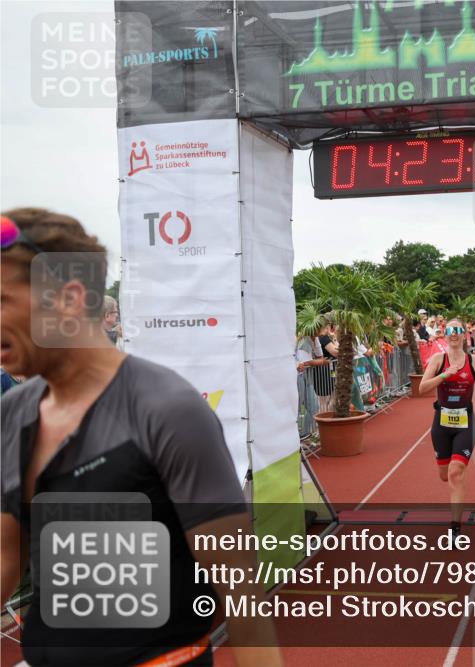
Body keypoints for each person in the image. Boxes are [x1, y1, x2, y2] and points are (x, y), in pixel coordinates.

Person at [0, 208, 280, 666]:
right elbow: (6, 559)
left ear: (69, 299)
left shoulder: (169, 410)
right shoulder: (12, 412)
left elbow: (242, 597)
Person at [419, 318, 475, 537]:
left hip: (466, 423)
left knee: (455, 472)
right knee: (445, 475)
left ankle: (455, 528)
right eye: (450, 330)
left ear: (464, 334)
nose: (454, 333)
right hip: (441, 424)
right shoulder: (438, 359)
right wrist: (445, 375)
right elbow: (422, 388)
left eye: (458, 330)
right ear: (445, 334)